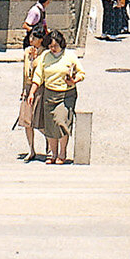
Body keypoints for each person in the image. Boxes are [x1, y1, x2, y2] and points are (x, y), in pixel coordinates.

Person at [29, 29, 84, 165]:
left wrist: (74, 80)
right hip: (50, 93)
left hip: (66, 94)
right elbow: (38, 75)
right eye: (50, 46)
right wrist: (32, 92)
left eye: (55, 46)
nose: (52, 49)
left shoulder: (69, 56)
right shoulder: (45, 56)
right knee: (50, 125)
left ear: (61, 44)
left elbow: (81, 73)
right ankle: (53, 154)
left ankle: (62, 152)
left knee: (61, 122)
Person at [15, 25, 46, 161]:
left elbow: (39, 72)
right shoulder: (27, 51)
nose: (31, 39)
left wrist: (34, 59)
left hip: (39, 88)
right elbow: (24, 72)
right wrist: (23, 90)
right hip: (28, 88)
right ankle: (31, 149)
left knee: (38, 120)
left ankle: (49, 141)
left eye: (34, 37)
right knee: (27, 120)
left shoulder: (45, 54)